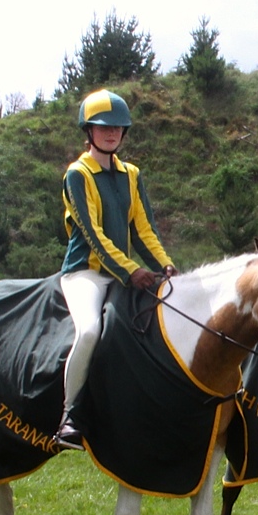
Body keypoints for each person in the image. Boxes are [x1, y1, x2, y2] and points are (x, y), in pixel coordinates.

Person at [54, 89, 177, 448]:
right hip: (85, 274)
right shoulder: (77, 175)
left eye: (118, 128)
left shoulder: (132, 174)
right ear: (88, 131)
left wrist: (165, 265)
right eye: (102, 127)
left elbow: (143, 230)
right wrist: (131, 272)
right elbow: (92, 236)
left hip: (122, 272)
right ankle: (69, 416)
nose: (111, 133)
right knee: (90, 331)